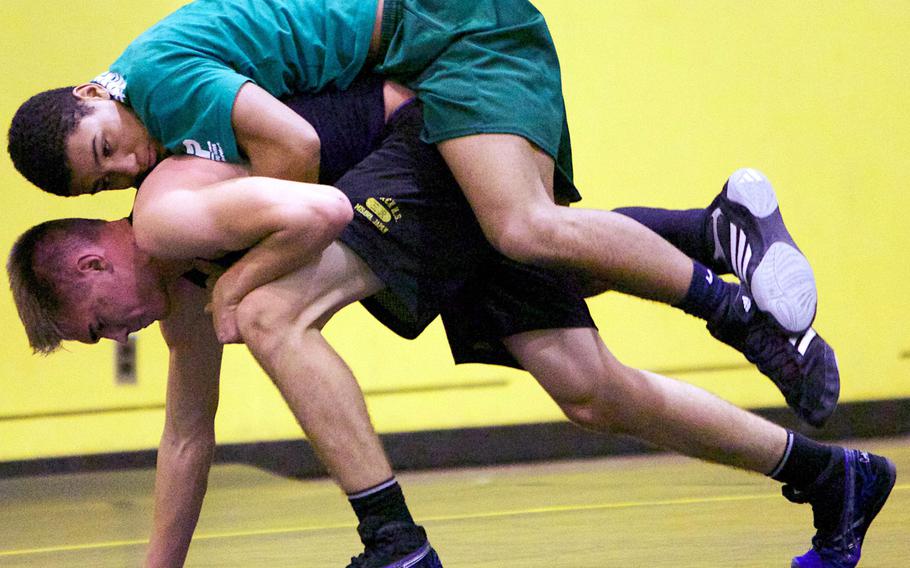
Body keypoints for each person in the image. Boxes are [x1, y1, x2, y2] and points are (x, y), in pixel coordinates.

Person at [8, 86, 893, 567]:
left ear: (91, 261)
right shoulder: (185, 286)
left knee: (277, 310)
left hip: (427, 142)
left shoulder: (172, 205)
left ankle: (393, 543)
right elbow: (185, 437)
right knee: (589, 390)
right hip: (412, 194)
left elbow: (315, 200)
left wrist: (246, 289)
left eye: (95, 328)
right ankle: (832, 478)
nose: (115, 338)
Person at [7, 0, 819, 359]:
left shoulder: (157, 81)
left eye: (108, 146)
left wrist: (246, 264)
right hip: (414, 51)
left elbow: (294, 153)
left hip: (438, 28)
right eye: (103, 181)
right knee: (529, 257)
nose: (128, 167)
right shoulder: (158, 122)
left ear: (93, 91)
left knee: (520, 228)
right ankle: (715, 228)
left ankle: (735, 314)